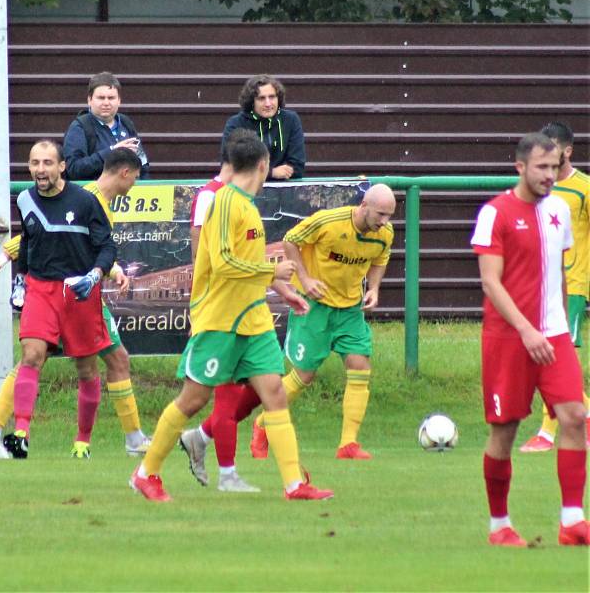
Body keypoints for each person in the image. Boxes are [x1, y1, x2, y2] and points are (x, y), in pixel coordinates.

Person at [129, 133, 333, 502]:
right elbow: (224, 264)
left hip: (252, 320)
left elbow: (246, 265)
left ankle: (294, 485)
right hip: (219, 320)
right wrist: (272, 270)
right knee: (193, 400)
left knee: (274, 394)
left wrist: (281, 288)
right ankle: (145, 474)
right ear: (263, 165)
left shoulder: (247, 204)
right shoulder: (225, 202)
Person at [0, 148, 150, 459]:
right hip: (69, 289)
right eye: (136, 176)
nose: (136, 183)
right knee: (92, 360)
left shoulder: (94, 199)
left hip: (81, 286)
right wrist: (0, 263)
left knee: (47, 360)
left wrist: (112, 268)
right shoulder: (88, 197)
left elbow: (93, 244)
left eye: (47, 162)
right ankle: (130, 439)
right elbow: (33, 235)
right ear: (125, 173)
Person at [471, 132, 588, 547]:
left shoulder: (559, 209)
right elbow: (490, 282)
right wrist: (525, 329)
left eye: (555, 167)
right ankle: (499, 525)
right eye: (541, 167)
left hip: (553, 336)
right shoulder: (495, 213)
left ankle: (572, 521)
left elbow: (555, 273)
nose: (550, 175)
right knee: (506, 429)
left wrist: (557, 325)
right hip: (509, 338)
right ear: (519, 166)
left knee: (574, 417)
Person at [245, 184, 395, 461]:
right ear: (364, 205)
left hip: (349, 308)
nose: (384, 222)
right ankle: (262, 425)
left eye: (389, 216)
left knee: (359, 365)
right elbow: (291, 239)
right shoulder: (328, 221)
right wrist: (304, 279)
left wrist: (374, 288)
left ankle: (348, 444)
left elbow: (380, 260)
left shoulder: (384, 234)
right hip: (314, 307)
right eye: (380, 214)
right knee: (304, 375)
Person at [180, 130, 263, 492]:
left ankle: (199, 437)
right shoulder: (212, 197)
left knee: (265, 388)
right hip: (219, 311)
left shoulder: (243, 198)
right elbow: (204, 255)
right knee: (212, 395)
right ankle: (225, 472)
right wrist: (200, 303)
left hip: (246, 309)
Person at [519, 121, 590, 453]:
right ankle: (584, 417)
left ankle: (547, 435)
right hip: (538, 289)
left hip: (572, 286)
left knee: (556, 359)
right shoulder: (535, 189)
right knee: (547, 360)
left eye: (551, 151)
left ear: (568, 151)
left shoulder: (584, 189)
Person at [63, 72, 149, 181]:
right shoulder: (79, 127)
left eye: (111, 98)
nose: (106, 103)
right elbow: (74, 169)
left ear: (119, 101)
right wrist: (112, 152)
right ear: (89, 100)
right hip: (93, 196)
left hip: (130, 196)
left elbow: (143, 164)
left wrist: (143, 187)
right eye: (101, 98)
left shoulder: (125, 123)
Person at [221, 74, 305, 181]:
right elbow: (231, 167)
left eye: (272, 97)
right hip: (247, 192)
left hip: (285, 192)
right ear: (252, 102)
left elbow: (297, 167)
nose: (268, 103)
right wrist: (271, 172)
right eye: (261, 98)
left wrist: (254, 171)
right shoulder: (236, 123)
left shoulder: (291, 120)